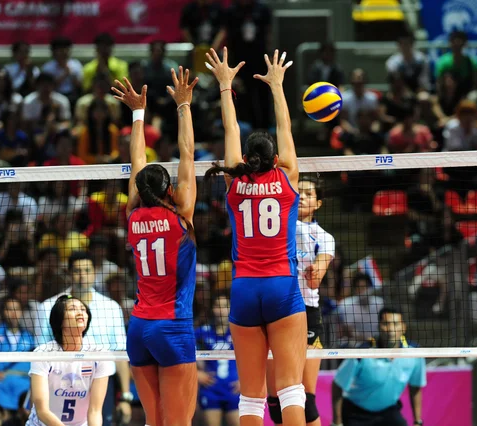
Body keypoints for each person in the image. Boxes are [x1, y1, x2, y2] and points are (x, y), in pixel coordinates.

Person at [204, 47, 307, 426]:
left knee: (250, 396)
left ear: (246, 160)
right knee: (290, 388)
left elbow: (231, 129)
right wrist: (277, 87)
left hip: (245, 288)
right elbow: (286, 128)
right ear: (275, 159)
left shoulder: (233, 182)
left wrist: (225, 85)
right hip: (282, 285)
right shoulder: (287, 177)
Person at [112, 66, 199, 426]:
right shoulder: (183, 218)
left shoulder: (132, 216)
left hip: (139, 329)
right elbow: (188, 155)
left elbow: (136, 164)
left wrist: (137, 113)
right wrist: (184, 106)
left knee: (154, 421)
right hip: (172, 328)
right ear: (169, 190)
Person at [267, 177, 335, 426]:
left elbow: (317, 279)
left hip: (307, 311)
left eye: (308, 194)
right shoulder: (277, 226)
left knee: (306, 398)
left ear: (318, 203)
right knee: (275, 402)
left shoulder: (324, 237)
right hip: (277, 309)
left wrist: (315, 270)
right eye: (299, 192)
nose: (302, 196)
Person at [27, 295, 115, 426]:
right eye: (73, 309)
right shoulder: (43, 353)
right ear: (60, 320)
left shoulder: (99, 354)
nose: (80, 312)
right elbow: (42, 411)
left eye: (83, 309)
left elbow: (95, 411)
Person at [332, 307, 426, 426]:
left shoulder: (415, 353)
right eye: (386, 324)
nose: (391, 329)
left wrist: (418, 421)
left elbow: (415, 388)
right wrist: (337, 422)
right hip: (356, 412)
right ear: (378, 327)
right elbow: (337, 385)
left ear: (403, 327)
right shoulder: (362, 352)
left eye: (396, 324)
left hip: (388, 411)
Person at [196, 293, 240, 426]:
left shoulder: (239, 332)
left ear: (230, 308)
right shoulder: (202, 332)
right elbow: (183, 353)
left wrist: (247, 381)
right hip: (211, 390)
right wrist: (195, 373)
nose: (221, 310)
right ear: (212, 309)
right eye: (217, 306)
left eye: (225, 306)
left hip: (234, 390)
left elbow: (255, 358)